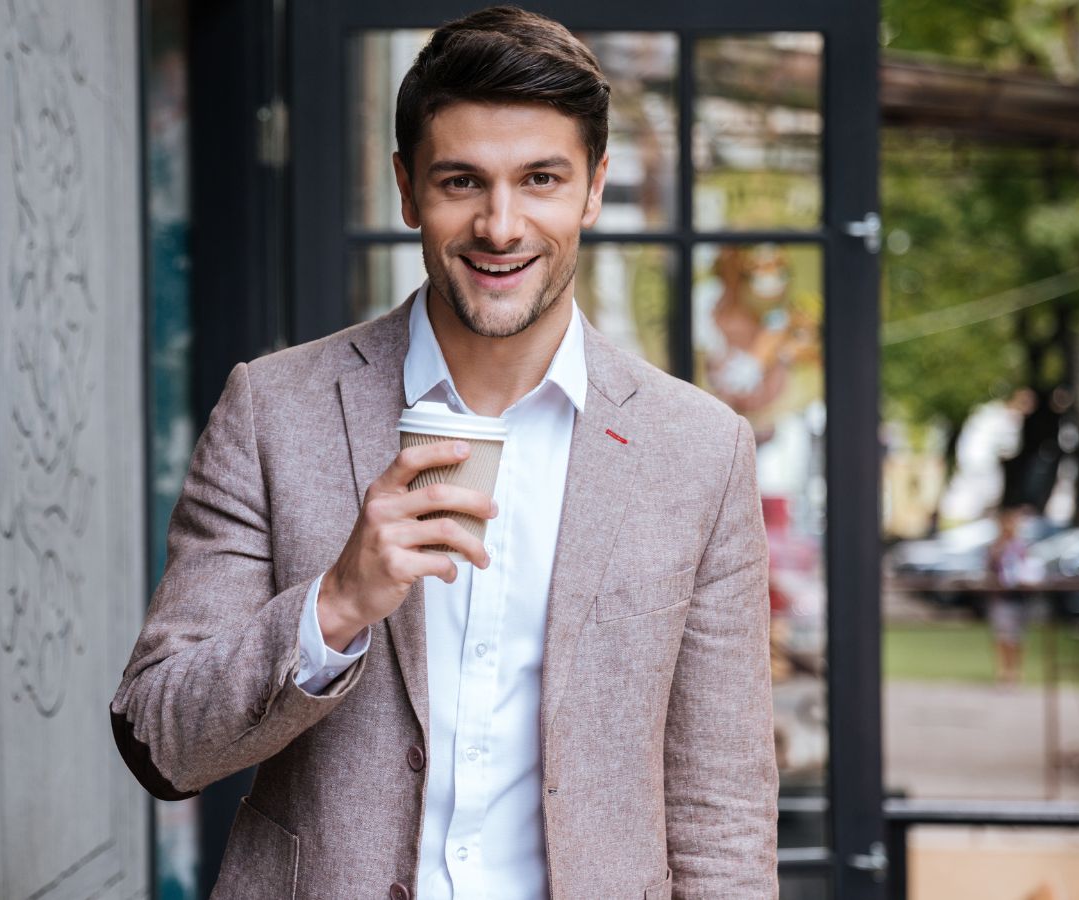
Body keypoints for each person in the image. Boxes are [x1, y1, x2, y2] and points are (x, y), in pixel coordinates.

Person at [110, 7, 777, 897]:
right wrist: (336, 605)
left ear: (593, 188)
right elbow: (161, 742)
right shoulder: (272, 410)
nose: (501, 227)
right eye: (462, 182)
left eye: (541, 179)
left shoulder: (699, 452)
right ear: (406, 188)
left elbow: (721, 810)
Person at [986, 506, 1029, 686]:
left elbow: (1029, 568)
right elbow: (990, 568)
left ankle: (1015, 671)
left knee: (1016, 637)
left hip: (1017, 596)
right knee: (1002, 636)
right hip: (1001, 597)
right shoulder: (996, 547)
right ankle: (1003, 670)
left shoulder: (1021, 547)